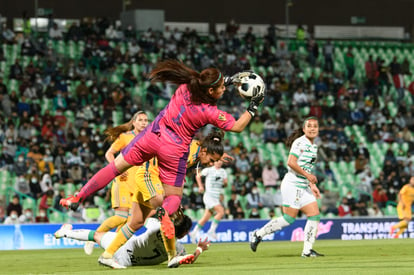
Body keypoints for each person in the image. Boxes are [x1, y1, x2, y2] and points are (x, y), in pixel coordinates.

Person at [60, 61, 263, 241]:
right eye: (221, 88)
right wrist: (254, 105)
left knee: (115, 167)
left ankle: (78, 196)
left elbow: (206, 86)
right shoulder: (208, 112)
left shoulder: (185, 87)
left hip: (151, 135)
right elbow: (237, 126)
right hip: (173, 148)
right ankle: (164, 216)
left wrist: (225, 81)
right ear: (211, 91)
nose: (224, 90)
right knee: (173, 197)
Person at [98, 130, 230, 268]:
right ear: (204, 151)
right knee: (164, 210)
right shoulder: (189, 152)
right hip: (149, 175)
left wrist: (219, 156)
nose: (210, 164)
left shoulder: (199, 151)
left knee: (135, 223)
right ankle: (172, 256)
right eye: (211, 160)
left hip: (149, 177)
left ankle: (107, 255)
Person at [250, 117, 324, 257]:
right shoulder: (300, 142)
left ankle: (307, 251)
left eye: (315, 126)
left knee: (314, 215)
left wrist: (311, 185)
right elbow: (291, 162)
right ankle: (258, 234)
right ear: (304, 129)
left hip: (303, 186)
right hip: (292, 184)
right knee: (289, 219)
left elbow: (305, 167)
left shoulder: (314, 146)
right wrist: (309, 177)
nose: (313, 128)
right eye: (309, 126)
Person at [84, 111, 149, 255]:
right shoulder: (125, 137)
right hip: (123, 181)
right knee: (121, 216)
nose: (144, 122)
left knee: (132, 221)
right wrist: (117, 169)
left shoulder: (149, 138)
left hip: (139, 183)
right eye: (140, 120)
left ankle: (116, 249)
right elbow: (109, 153)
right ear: (133, 122)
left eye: (146, 120)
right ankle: (93, 237)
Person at [54, 212, 210, 268]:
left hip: (122, 247)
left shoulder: (156, 226)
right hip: (126, 262)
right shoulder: (178, 249)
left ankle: (66, 232)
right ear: (183, 234)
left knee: (96, 235)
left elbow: (146, 217)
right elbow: (189, 259)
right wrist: (199, 249)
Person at [190, 159, 228, 242]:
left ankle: (194, 232)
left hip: (216, 197)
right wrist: (200, 186)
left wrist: (224, 183)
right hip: (209, 196)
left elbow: (225, 183)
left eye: (221, 161)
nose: (219, 162)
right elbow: (197, 176)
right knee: (221, 212)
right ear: (214, 162)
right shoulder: (209, 170)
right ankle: (212, 230)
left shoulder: (223, 172)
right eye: (217, 161)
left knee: (205, 218)